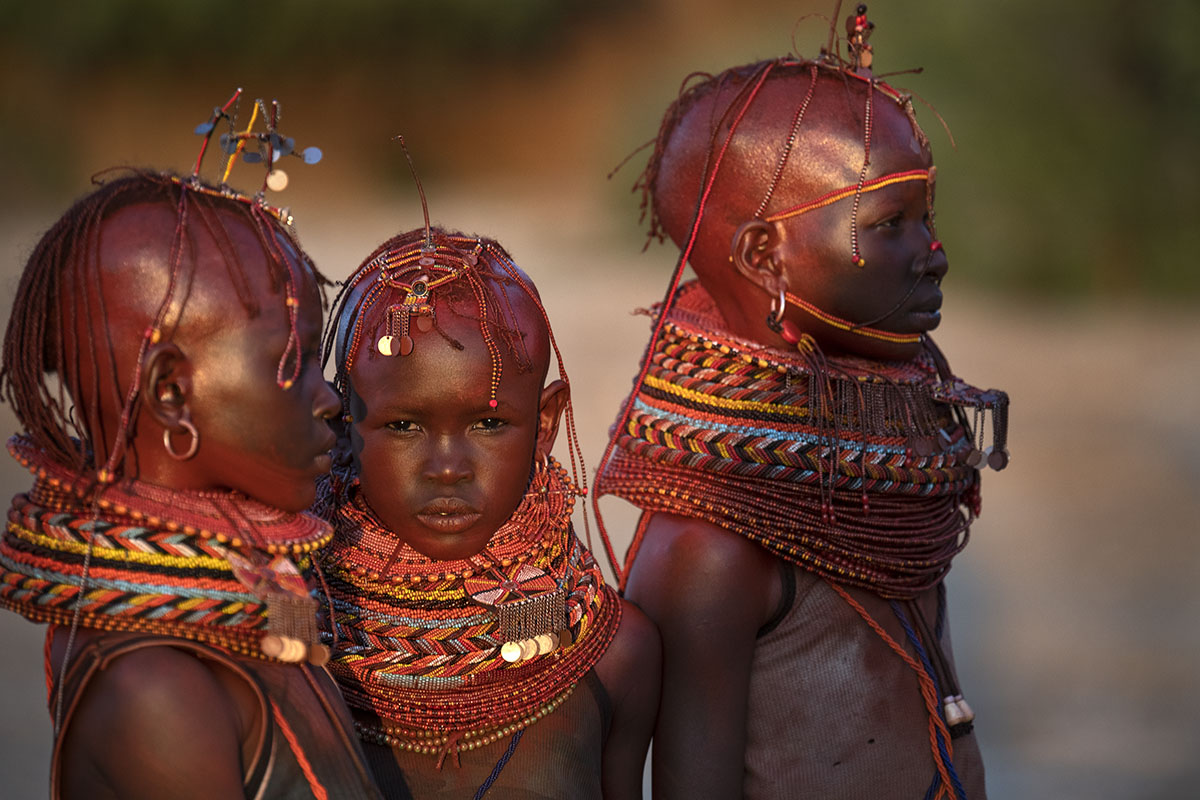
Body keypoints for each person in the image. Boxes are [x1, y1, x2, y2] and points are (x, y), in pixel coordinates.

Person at [593, 6, 1009, 799]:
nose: (936, 255)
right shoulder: (712, 545)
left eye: (928, 218)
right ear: (762, 254)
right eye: (891, 224)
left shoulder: (893, 482)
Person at [0, 93, 383, 799]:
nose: (328, 398)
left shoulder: (251, 604)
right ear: (172, 393)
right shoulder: (157, 691)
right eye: (293, 364)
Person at [316, 203, 660, 799]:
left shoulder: (612, 652)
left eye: (487, 423)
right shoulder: (292, 637)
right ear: (343, 425)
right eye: (403, 426)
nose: (446, 467)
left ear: (545, 422)